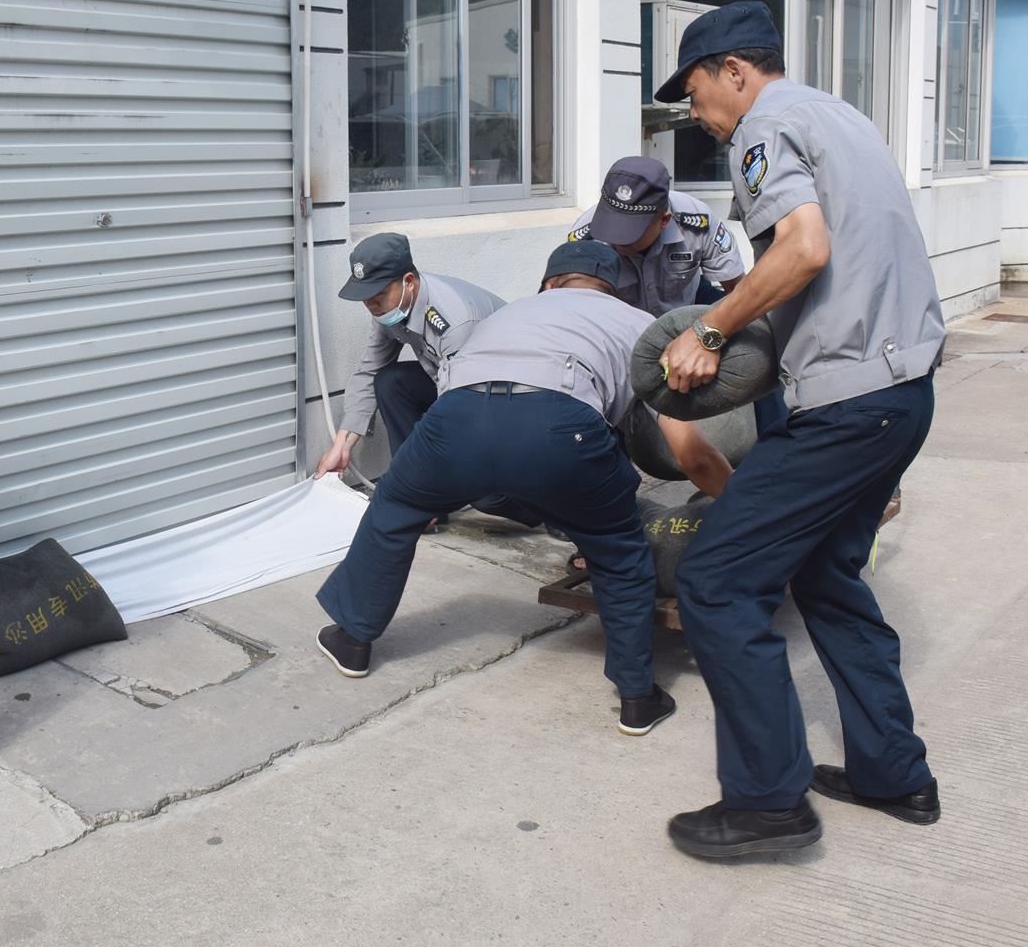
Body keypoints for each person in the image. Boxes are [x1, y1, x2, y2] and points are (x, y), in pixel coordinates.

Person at [650, 1, 946, 859]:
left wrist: (710, 332)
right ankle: (894, 774)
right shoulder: (843, 118)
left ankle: (768, 802)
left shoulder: (765, 126)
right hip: (902, 393)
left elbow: (805, 249)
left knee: (716, 581)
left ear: (736, 71)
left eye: (695, 93)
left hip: (846, 407)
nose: (695, 114)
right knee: (827, 577)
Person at [311, 240, 733, 737]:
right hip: (561, 428)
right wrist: (741, 503)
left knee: (394, 507)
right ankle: (637, 698)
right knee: (619, 551)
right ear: (615, 288)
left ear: (548, 283)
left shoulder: (511, 312)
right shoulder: (641, 325)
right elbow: (690, 452)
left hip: (457, 419)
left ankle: (353, 639)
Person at [314, 232, 505, 480]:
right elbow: (370, 370)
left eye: (378, 295)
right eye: (365, 298)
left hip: (500, 395)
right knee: (390, 382)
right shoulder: (391, 308)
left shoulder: (453, 322)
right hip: (450, 382)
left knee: (477, 483)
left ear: (409, 282)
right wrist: (342, 447)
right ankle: (413, 480)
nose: (371, 306)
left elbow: (459, 408)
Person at [566, 155, 744, 316]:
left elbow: (737, 290)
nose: (617, 237)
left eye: (630, 230)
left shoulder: (698, 222)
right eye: (612, 224)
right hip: (621, 325)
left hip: (686, 307)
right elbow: (575, 311)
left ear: (664, 220)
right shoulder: (585, 238)